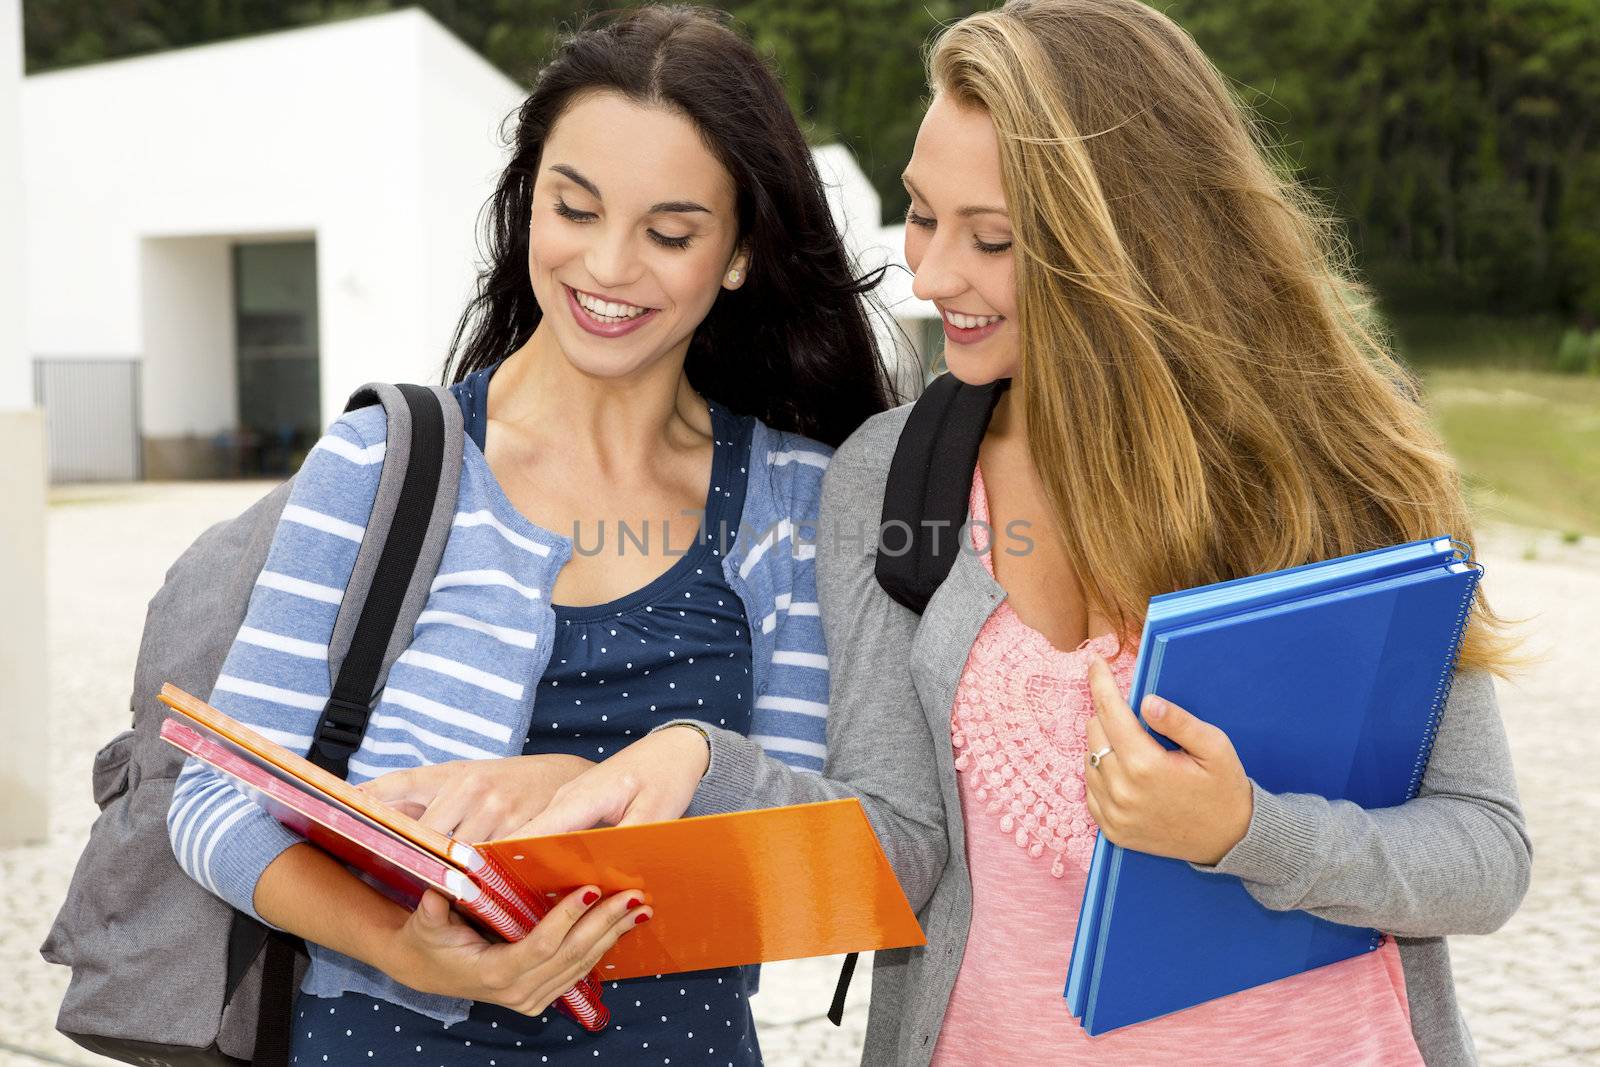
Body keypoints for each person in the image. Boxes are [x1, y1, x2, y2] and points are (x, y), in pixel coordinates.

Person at [527, 2, 1531, 1064]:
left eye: (991, 239)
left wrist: (1243, 831)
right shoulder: (891, 475)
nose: (931, 273)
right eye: (921, 216)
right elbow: (900, 845)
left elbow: (1484, 853)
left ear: (1132, 237)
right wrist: (698, 761)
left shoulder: (1341, 463)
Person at [164, 6, 895, 1063]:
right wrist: (405, 947)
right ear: (526, 205)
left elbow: (811, 857)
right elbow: (215, 800)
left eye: (671, 232)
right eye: (574, 208)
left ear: (739, 254)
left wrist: (567, 785)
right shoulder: (387, 462)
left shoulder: (794, 496)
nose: (607, 265)